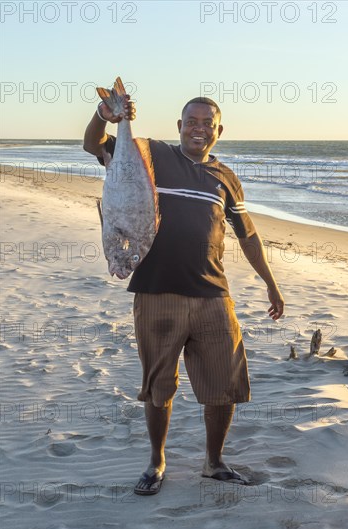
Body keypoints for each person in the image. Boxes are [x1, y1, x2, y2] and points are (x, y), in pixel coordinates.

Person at [83, 90, 284, 496]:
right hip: (157, 293)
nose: (199, 128)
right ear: (179, 126)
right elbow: (94, 145)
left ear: (218, 131)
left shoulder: (226, 177)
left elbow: (248, 237)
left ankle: (214, 462)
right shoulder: (151, 155)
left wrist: (271, 282)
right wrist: (105, 114)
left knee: (223, 384)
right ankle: (157, 461)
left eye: (207, 123)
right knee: (159, 386)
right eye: (192, 121)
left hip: (213, 293)